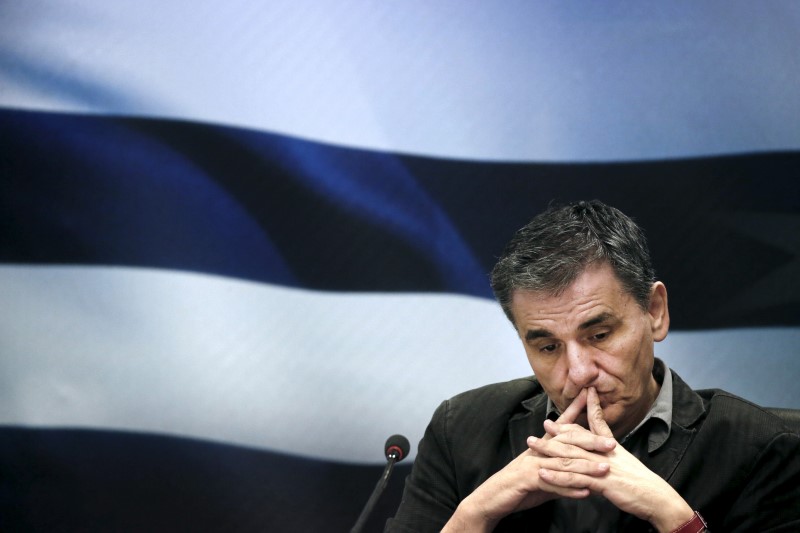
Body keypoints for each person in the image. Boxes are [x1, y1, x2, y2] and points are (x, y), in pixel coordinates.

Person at [386, 200, 800, 532]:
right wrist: (472, 517)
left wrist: (675, 519)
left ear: (655, 312)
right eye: (548, 347)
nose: (580, 371)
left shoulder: (763, 449)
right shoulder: (461, 430)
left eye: (599, 336)